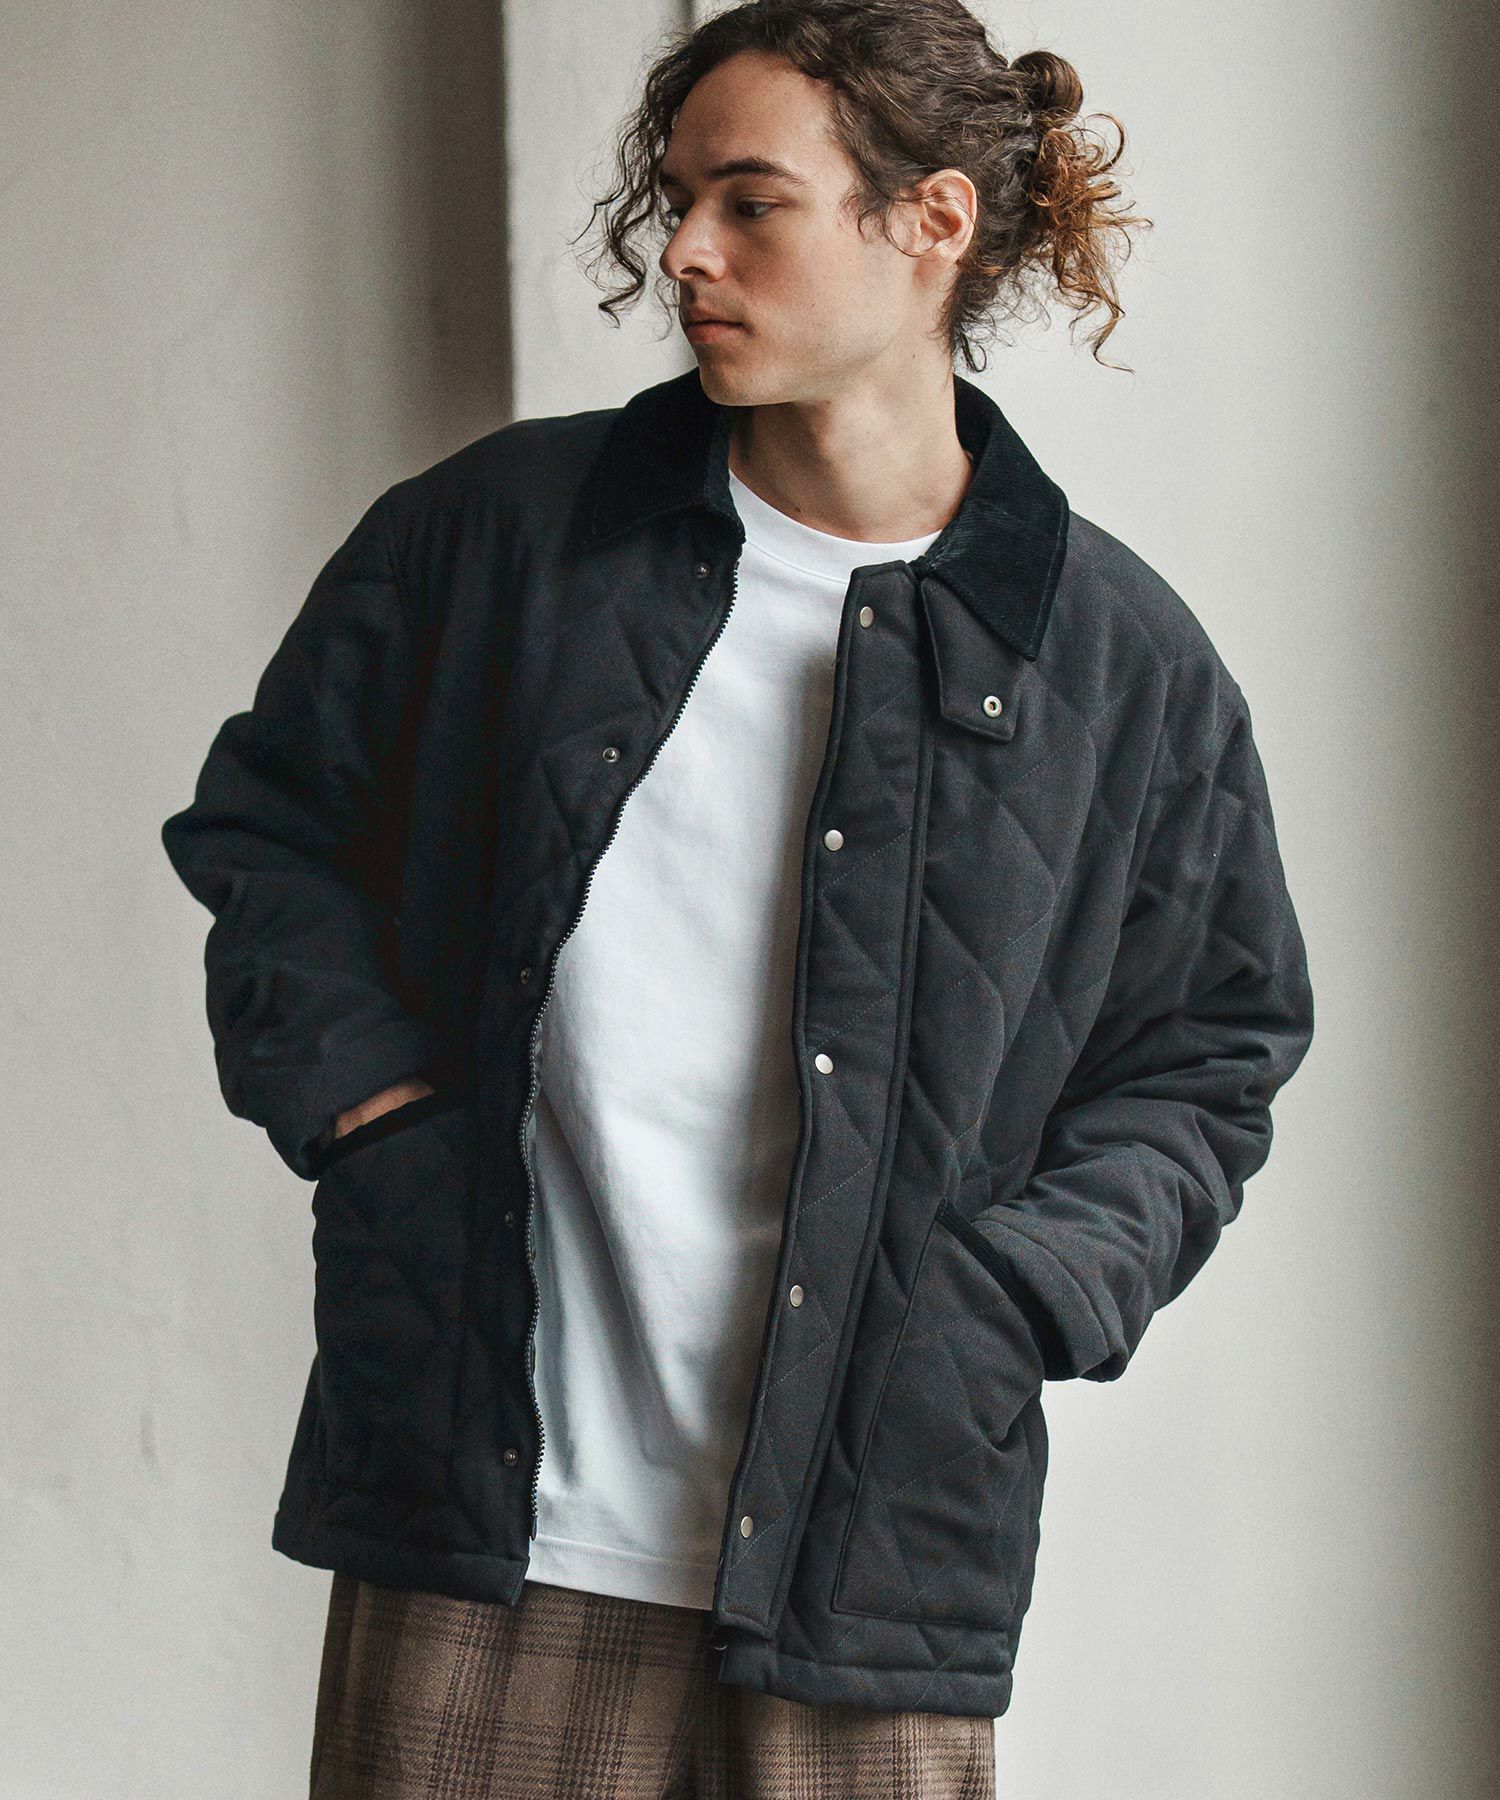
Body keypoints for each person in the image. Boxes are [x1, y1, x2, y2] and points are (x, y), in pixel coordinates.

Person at [160, 3, 1315, 1795]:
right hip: (496, 1513)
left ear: (931, 223)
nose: (686, 251)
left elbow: (1211, 1051)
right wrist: (375, 1117)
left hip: (875, 1550)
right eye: (679, 198)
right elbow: (275, 830)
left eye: (751, 203)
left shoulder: (1114, 662)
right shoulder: (503, 538)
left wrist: (1012, 1297)